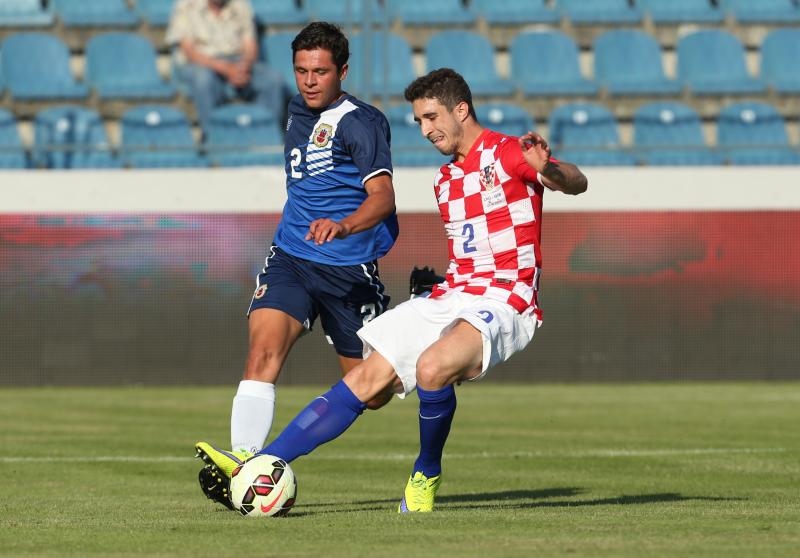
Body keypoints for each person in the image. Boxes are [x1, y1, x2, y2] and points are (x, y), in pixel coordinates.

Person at [198, 67, 588, 513]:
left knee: (431, 368)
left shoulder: (507, 153)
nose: (425, 130)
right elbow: (476, 251)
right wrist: (440, 284)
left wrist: (551, 168)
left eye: (431, 117)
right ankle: (258, 466)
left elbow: (574, 183)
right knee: (364, 379)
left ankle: (426, 472)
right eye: (419, 121)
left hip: (507, 299)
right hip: (455, 292)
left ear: (461, 109)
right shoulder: (446, 179)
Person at [194, 22, 399, 508]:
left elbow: (384, 197)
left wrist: (345, 225)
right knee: (262, 353)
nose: (310, 81)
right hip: (291, 256)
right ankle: (245, 465)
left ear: (342, 71)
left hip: (349, 270)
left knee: (373, 392)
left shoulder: (361, 122)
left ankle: (417, 331)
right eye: (302, 71)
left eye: (320, 72)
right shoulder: (295, 109)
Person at [166, 0, 288, 132]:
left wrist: (244, 66)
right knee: (204, 80)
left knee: (272, 79)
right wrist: (226, 69)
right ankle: (213, 137)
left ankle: (266, 135)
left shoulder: (240, 4)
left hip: (237, 60)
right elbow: (189, 51)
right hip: (200, 63)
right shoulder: (186, 5)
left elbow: (250, 45)